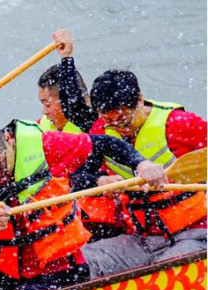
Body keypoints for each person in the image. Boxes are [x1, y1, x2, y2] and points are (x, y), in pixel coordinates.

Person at [0, 121, 168, 290]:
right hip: (4, 269)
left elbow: (107, 144)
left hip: (57, 268)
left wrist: (143, 164)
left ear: (8, 140)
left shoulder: (45, 144)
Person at [55, 32, 207, 274]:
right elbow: (72, 175)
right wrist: (101, 180)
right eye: (110, 121)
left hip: (193, 233)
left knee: (165, 271)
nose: (119, 127)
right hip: (140, 239)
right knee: (78, 263)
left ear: (139, 99)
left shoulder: (181, 124)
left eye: (124, 119)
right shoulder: (102, 131)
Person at [36, 30, 130, 241]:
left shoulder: (94, 125)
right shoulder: (39, 131)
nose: (43, 111)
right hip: (77, 219)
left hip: (111, 216)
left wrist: (67, 58)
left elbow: (73, 105)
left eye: (47, 103)